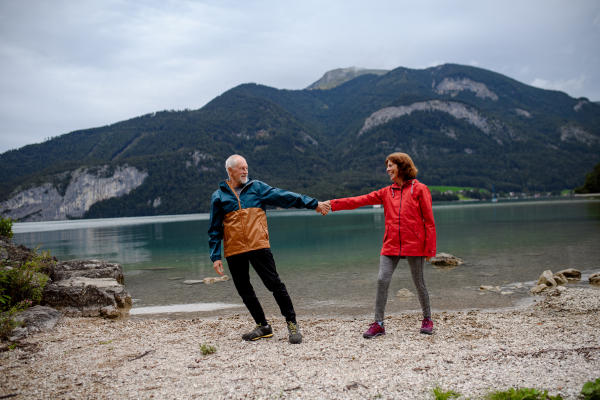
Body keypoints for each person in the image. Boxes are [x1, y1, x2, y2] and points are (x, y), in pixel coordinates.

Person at [208, 154, 330, 344]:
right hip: (234, 250)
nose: (245, 171)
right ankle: (263, 326)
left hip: (258, 245)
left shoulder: (256, 188)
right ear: (230, 171)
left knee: (275, 284)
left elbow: (283, 196)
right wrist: (215, 256)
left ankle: (292, 324)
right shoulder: (219, 196)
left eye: (246, 167)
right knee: (244, 290)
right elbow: (215, 229)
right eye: (241, 168)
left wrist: (312, 204)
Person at [326, 152, 436, 337]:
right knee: (381, 280)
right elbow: (359, 200)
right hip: (391, 244)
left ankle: (427, 319)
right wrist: (332, 204)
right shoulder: (387, 192)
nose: (387, 169)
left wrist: (430, 249)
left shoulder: (420, 189)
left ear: (402, 166)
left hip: (414, 244)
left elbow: (429, 221)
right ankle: (378, 324)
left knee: (419, 282)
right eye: (387, 165)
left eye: (391, 165)